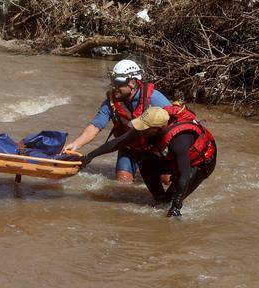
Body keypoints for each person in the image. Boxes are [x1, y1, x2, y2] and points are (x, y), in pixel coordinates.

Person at [78, 105, 217, 218]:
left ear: (158, 128)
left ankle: (169, 202)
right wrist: (90, 156)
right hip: (178, 158)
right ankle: (159, 198)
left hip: (200, 163)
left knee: (170, 202)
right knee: (146, 165)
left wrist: (176, 206)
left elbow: (184, 175)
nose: (141, 131)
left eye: (145, 128)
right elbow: (118, 142)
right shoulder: (149, 127)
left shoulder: (179, 142)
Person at [66, 59, 174, 184]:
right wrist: (75, 144)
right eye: (113, 82)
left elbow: (176, 124)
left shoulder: (154, 98)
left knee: (168, 181)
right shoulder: (111, 103)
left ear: (132, 83)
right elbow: (95, 126)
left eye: (118, 83)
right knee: (122, 184)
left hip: (156, 149)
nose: (114, 87)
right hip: (129, 149)